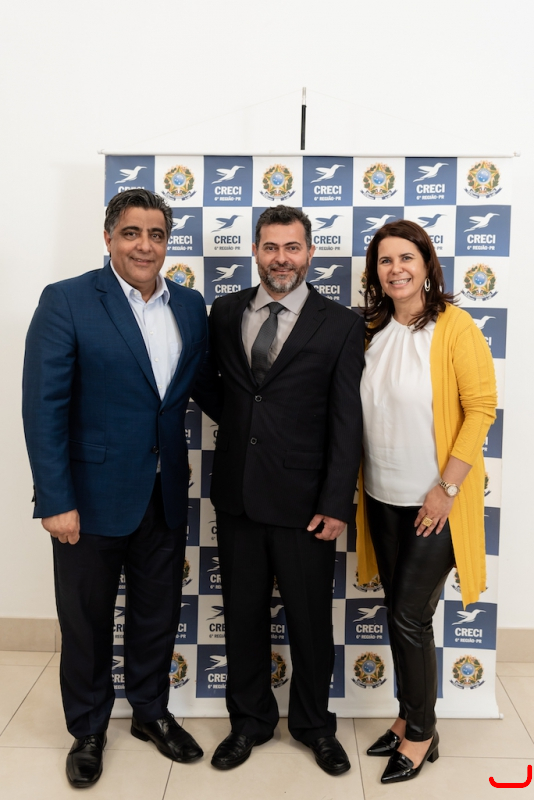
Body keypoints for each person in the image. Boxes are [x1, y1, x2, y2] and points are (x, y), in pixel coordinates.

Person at [22, 189, 214, 788]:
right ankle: (88, 729)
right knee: (85, 621)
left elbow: (202, 390)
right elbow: (43, 408)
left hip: (164, 494)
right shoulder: (68, 300)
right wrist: (56, 499)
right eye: (132, 233)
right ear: (108, 238)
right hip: (88, 499)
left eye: (156, 234)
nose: (144, 245)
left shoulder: (189, 305)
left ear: (167, 242)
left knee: (157, 615)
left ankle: (151, 714)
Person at [206, 205, 365, 775]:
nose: (281, 259)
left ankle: (315, 726)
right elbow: (215, 386)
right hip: (239, 495)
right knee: (242, 616)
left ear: (310, 252)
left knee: (309, 622)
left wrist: (335, 502)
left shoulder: (341, 323)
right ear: (254, 251)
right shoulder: (225, 311)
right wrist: (244, 424)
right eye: (270, 247)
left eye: (292, 247)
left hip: (306, 504)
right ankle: (249, 722)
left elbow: (347, 420)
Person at [356, 219, 497, 784]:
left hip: (434, 504)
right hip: (381, 497)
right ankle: (408, 716)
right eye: (385, 260)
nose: (396, 269)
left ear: (426, 265)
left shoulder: (455, 327)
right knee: (403, 614)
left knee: (409, 616)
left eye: (406, 258)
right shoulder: (371, 330)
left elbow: (481, 408)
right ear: (376, 273)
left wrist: (447, 489)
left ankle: (421, 733)